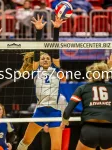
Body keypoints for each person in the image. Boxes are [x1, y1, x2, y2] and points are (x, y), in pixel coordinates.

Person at [17, 15, 66, 150]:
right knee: (26, 140)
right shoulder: (36, 70)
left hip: (54, 112)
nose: (45, 60)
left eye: (47, 58)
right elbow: (37, 51)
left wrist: (56, 29)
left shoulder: (55, 69)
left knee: (56, 147)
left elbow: (55, 50)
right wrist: (39, 31)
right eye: (43, 58)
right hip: (40, 111)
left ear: (51, 60)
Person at [62, 60, 112, 150]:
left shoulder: (82, 88)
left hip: (89, 130)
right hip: (109, 131)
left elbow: (67, 111)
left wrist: (64, 121)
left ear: (90, 75)